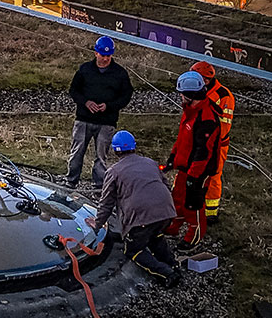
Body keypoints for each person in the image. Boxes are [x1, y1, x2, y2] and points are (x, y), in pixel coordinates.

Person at [86, 130, 182, 288]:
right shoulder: (150, 162)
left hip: (142, 219)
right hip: (166, 213)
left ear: (115, 150)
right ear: (134, 147)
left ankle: (167, 273)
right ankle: (173, 265)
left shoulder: (114, 172)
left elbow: (106, 202)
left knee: (133, 250)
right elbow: (165, 185)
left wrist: (98, 224)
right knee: (155, 236)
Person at [165, 71, 223, 251]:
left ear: (190, 95)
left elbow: (203, 152)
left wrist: (194, 177)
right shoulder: (190, 111)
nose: (180, 97)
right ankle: (173, 227)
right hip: (186, 168)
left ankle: (193, 236)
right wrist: (173, 159)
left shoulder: (207, 119)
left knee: (193, 204)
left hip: (199, 172)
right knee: (177, 198)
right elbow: (182, 139)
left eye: (182, 94)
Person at [66, 36, 135, 188]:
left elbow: (126, 95)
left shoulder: (120, 73)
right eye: (102, 55)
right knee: (77, 151)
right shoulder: (85, 69)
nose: (105, 59)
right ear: (95, 53)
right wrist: (85, 102)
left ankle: (99, 185)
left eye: (108, 56)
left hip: (106, 121)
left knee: (101, 156)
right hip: (83, 118)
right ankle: (71, 181)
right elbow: (74, 90)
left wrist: (109, 106)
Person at [190, 61, 235, 223]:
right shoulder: (198, 91)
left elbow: (224, 125)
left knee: (213, 176)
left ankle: (210, 213)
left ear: (206, 80)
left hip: (216, 144)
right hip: (197, 141)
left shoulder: (223, 96)